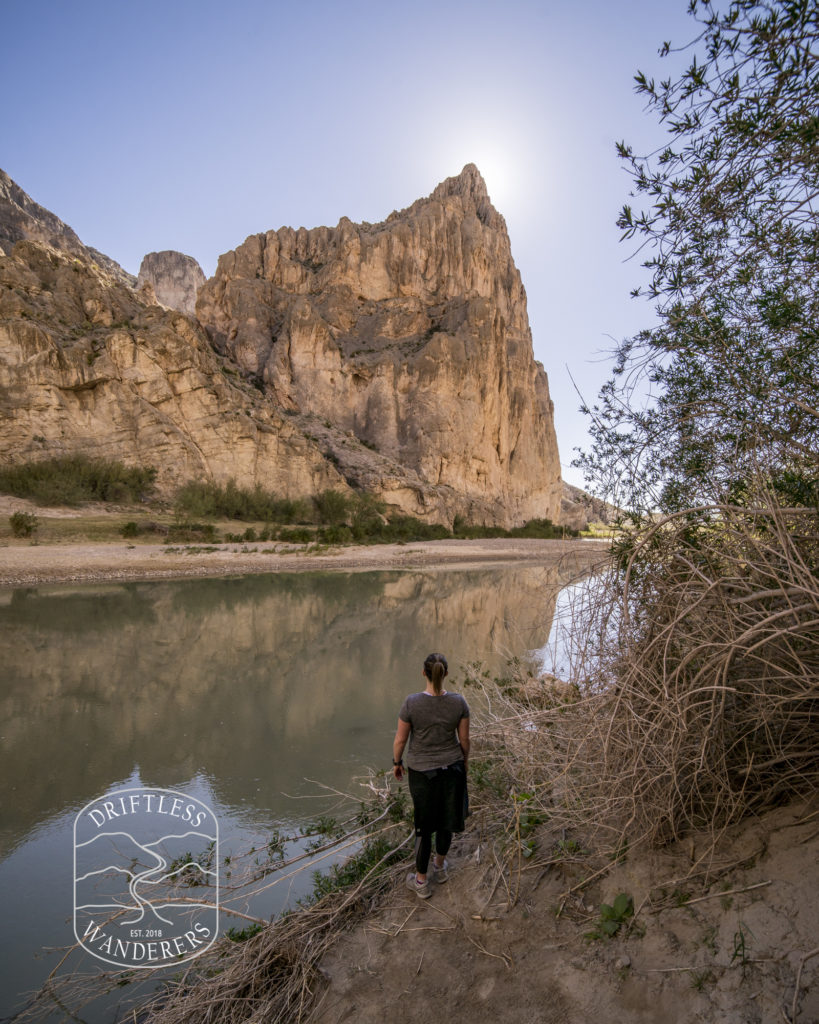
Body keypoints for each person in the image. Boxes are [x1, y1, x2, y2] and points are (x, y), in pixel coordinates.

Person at [392, 652, 470, 899]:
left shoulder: (411, 703)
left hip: (422, 773)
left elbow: (400, 739)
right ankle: (440, 867)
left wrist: (397, 762)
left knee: (424, 826)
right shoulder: (459, 702)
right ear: (445, 674)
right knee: (446, 820)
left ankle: (421, 881)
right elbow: (464, 740)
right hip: (452, 768)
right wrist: (464, 762)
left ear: (423, 673)